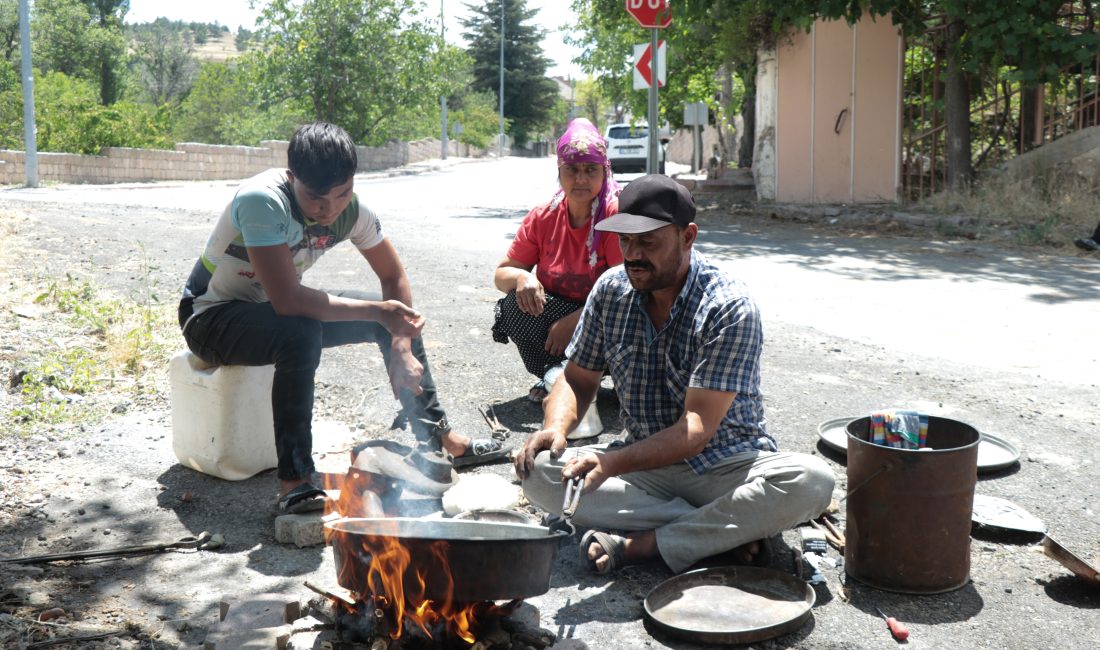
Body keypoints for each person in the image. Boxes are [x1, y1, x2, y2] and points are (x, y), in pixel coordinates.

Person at [178, 122, 508, 515]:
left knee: (388, 314)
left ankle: (438, 440)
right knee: (301, 332)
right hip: (211, 318)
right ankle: (295, 481)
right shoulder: (261, 201)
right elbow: (288, 301)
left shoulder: (352, 210)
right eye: (316, 197)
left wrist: (401, 345)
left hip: (267, 313)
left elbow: (393, 277)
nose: (329, 209)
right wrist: (380, 313)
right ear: (291, 177)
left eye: (342, 193)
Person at [513, 174, 836, 575]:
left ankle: (644, 545)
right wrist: (556, 427)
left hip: (726, 466)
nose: (633, 254)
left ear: (688, 236)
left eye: (648, 241)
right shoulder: (611, 291)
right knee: (540, 473)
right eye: (625, 241)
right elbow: (578, 380)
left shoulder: (727, 306)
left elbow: (696, 429)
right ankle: (721, 530)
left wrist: (610, 465)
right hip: (644, 467)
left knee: (813, 481)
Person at [492, 118, 624, 403]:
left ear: (605, 172)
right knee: (515, 304)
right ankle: (555, 372)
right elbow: (502, 274)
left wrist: (577, 322)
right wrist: (522, 277)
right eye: (572, 170)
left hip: (607, 317)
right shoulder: (543, 216)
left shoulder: (614, 215)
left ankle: (582, 377)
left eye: (591, 170)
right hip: (558, 314)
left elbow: (626, 288)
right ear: (559, 172)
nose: (581, 179)